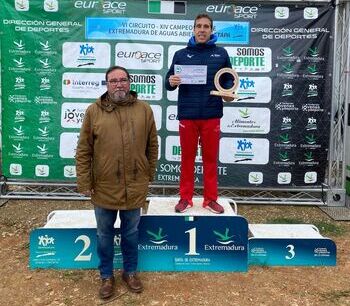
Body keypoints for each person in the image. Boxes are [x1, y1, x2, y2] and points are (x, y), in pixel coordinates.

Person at [75, 66, 158, 300]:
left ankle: (130, 272)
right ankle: (106, 276)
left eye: (123, 80)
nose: (119, 84)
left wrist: (148, 174)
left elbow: (152, 145)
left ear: (130, 82)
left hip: (135, 185)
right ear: (107, 85)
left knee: (131, 233)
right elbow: (83, 151)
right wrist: (84, 181)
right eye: (114, 81)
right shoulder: (94, 111)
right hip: (104, 186)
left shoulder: (144, 110)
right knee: (104, 234)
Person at [165, 13, 233, 214]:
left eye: (206, 26)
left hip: (212, 115)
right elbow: (169, 82)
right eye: (198, 26)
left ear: (212, 30)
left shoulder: (221, 54)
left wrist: (228, 92)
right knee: (187, 158)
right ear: (193, 29)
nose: (202, 29)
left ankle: (210, 199)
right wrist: (171, 82)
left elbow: (228, 80)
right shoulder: (180, 54)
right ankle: (185, 198)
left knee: (210, 159)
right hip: (188, 114)